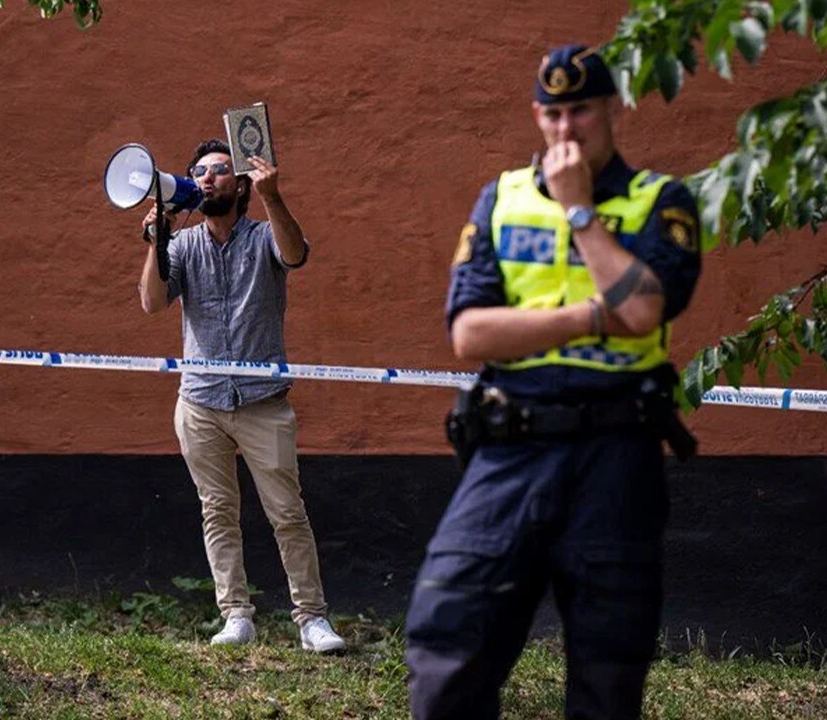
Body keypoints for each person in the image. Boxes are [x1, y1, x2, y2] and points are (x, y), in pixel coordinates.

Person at [403, 45, 703, 719]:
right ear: (538, 116)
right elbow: (469, 334)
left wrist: (579, 215)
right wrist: (596, 314)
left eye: (582, 112)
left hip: (616, 456)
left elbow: (648, 311)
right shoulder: (501, 199)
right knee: (446, 642)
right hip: (511, 450)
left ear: (612, 108)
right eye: (554, 114)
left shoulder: (662, 201)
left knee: (608, 668)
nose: (567, 131)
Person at [137, 138, 345, 653]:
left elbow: (295, 254)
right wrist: (155, 242)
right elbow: (151, 303)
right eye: (199, 172)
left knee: (287, 513)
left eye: (220, 171)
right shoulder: (183, 245)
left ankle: (311, 619)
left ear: (242, 185)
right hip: (201, 401)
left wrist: (275, 197)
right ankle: (235, 615)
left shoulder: (261, 237)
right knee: (217, 512)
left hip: (261, 402)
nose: (208, 178)